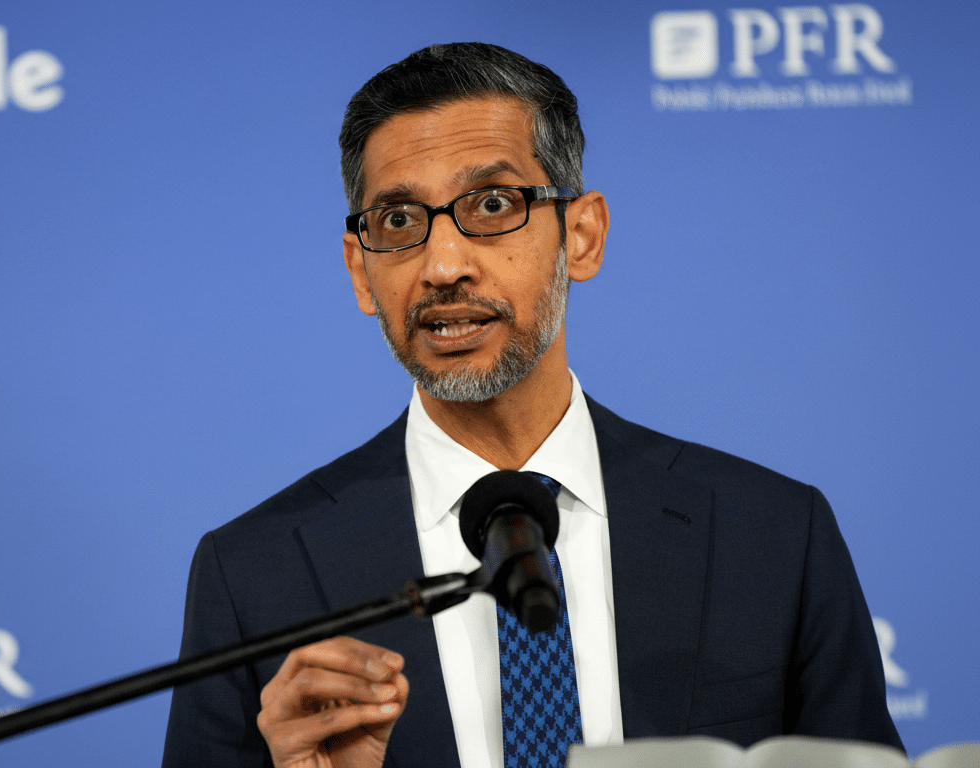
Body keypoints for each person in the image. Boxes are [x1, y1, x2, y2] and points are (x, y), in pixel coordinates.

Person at [161, 42, 901, 768]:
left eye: (491, 204)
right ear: (361, 272)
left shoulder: (772, 536)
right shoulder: (255, 574)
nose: (444, 265)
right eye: (397, 221)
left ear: (581, 235)